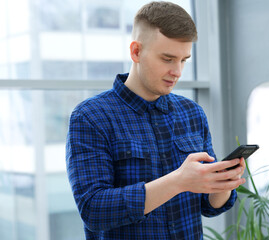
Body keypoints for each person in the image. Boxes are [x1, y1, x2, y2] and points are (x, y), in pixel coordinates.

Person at [66, 1, 246, 239]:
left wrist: (222, 184)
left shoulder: (192, 113)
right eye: (167, 59)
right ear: (136, 52)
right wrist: (178, 181)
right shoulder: (91, 118)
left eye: (183, 60)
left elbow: (208, 206)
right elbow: (94, 210)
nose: (178, 72)